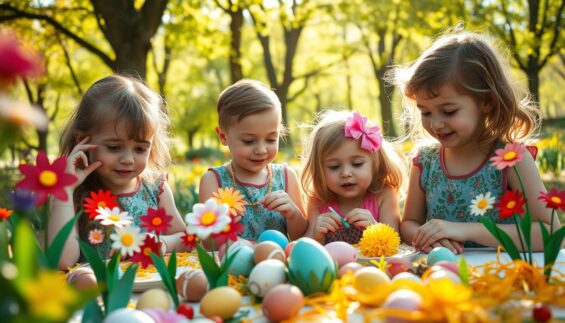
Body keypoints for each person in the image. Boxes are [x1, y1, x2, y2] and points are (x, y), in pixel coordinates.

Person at [394, 31, 557, 254]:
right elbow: (408, 224)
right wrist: (428, 238)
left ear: (486, 102)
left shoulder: (512, 159)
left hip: (500, 278)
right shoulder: (425, 161)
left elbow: (551, 233)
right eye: (425, 112)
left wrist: (465, 230)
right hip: (442, 277)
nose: (437, 124)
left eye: (449, 111)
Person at [48, 75, 186, 270]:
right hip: (100, 293)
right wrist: (65, 190)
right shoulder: (76, 194)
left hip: (152, 287)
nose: (128, 159)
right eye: (114, 147)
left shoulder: (155, 188)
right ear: (83, 141)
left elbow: (185, 240)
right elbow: (62, 262)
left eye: (140, 149)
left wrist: (160, 244)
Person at [198, 79, 307, 242]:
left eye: (271, 139)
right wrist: (224, 226)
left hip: (278, 261)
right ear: (223, 136)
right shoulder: (214, 180)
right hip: (234, 262)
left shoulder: (286, 177)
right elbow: (208, 242)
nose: (261, 150)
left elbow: (301, 235)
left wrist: (293, 214)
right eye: (249, 141)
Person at [301, 109, 406, 245]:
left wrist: (374, 228)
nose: (346, 173)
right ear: (320, 170)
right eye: (334, 166)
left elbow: (395, 244)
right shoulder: (318, 201)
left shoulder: (384, 195)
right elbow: (307, 248)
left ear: (375, 163)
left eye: (357, 164)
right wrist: (316, 235)